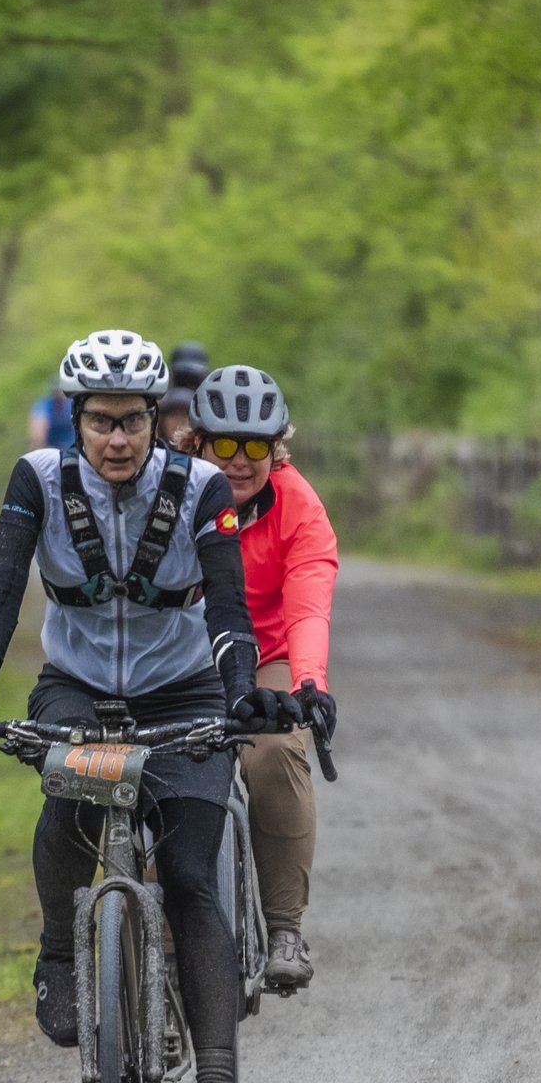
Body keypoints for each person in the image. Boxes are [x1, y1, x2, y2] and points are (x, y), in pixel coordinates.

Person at [0, 328, 296, 1083]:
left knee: (194, 876)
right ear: (74, 419)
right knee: (67, 811)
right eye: (100, 422)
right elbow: (1, 589)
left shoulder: (203, 487)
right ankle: (61, 948)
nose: (119, 439)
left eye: (134, 421)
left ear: (158, 419)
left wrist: (241, 694)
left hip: (186, 691)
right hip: (78, 689)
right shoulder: (38, 481)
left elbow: (230, 607)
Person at [191, 364, 339, 990]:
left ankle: (284, 927)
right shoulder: (170, 494)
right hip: (184, 654)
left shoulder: (299, 506)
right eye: (223, 444)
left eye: (255, 447)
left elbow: (307, 602)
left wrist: (308, 684)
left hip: (266, 652)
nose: (238, 461)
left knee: (275, 749)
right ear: (194, 442)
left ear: (276, 449)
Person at [26, 373, 73, 452]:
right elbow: (38, 430)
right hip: (51, 449)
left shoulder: (70, 403)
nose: (57, 395)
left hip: (72, 447)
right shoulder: (43, 405)